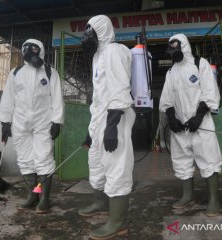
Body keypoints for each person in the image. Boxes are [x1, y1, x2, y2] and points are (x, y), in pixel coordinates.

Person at [78, 15, 136, 239]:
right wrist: (91, 130)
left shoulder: (114, 50)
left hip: (116, 116)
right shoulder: (98, 56)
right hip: (100, 119)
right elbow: (99, 98)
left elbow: (120, 88)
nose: (85, 35)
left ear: (101, 30)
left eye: (89, 30)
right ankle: (100, 203)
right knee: (97, 163)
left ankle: (118, 222)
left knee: (116, 166)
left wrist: (112, 125)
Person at [159, 33, 222, 217]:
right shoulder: (171, 72)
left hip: (201, 124)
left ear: (184, 45)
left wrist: (199, 115)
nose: (173, 52)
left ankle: (213, 199)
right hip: (180, 127)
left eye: (175, 47)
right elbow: (167, 98)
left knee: (208, 159)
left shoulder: (199, 64)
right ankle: (188, 195)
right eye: (170, 48)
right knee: (181, 160)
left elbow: (210, 91)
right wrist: (172, 118)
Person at [0, 39, 64, 214]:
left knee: (44, 159)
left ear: (40, 50)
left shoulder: (50, 72)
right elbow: (8, 98)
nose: (27, 51)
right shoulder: (16, 72)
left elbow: (57, 98)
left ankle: (44, 198)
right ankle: (33, 194)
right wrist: (5, 121)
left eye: (32, 48)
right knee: (25, 160)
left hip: (43, 123)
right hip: (20, 124)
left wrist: (57, 121)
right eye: (25, 48)